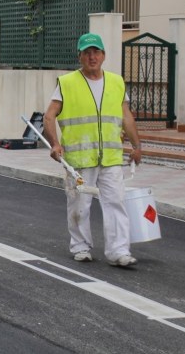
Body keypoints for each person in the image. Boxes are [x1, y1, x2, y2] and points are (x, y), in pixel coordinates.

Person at [42, 33, 143, 267]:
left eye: (96, 52)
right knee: (79, 205)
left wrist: (136, 145)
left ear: (104, 55)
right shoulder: (67, 83)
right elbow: (49, 116)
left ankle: (119, 251)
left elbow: (126, 116)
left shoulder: (116, 82)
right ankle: (81, 246)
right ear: (79, 56)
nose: (92, 57)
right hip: (79, 159)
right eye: (87, 53)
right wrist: (55, 143)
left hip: (111, 156)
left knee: (116, 202)